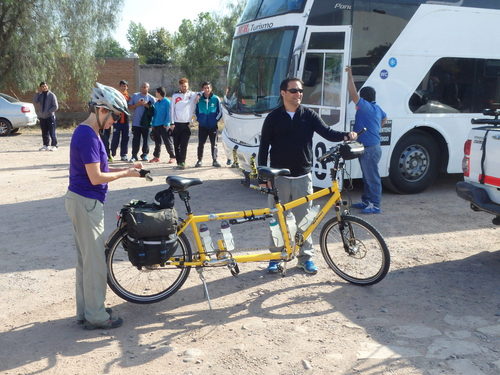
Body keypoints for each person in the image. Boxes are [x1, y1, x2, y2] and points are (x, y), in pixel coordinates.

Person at [64, 83, 144, 330]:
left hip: (81, 200)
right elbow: (97, 177)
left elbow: (102, 170)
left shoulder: (89, 132)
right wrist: (126, 175)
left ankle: (86, 311)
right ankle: (97, 316)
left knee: (86, 261)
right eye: (115, 116)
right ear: (101, 110)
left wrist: (129, 171)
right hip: (86, 202)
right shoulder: (87, 134)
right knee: (96, 262)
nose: (116, 121)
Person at [258, 77, 357, 274]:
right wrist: (264, 178)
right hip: (279, 178)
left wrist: (347, 135)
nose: (299, 94)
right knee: (277, 220)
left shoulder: (308, 115)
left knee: (305, 221)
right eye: (294, 91)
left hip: (303, 176)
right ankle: (277, 257)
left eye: (301, 91)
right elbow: (263, 148)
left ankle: (305, 258)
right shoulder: (273, 118)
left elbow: (327, 132)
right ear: (283, 93)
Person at [346, 66, 387, 214]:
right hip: (372, 147)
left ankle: (375, 205)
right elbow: (385, 118)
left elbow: (352, 93)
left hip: (369, 149)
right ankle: (367, 201)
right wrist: (376, 129)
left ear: (364, 98)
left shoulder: (366, 107)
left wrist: (349, 75)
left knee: (372, 178)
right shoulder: (376, 108)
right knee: (367, 177)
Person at [170, 77, 199, 169]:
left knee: (184, 144)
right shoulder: (175, 96)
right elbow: (172, 110)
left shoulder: (192, 94)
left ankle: (182, 162)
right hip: (177, 124)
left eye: (186, 86)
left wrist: (198, 95)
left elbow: (201, 92)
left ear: (188, 86)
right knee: (176, 144)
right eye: (182, 86)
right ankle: (178, 161)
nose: (184, 88)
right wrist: (172, 123)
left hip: (186, 124)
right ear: (180, 86)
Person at [195, 81, 222, 168]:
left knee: (214, 144)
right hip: (202, 125)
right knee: (200, 144)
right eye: (205, 88)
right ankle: (199, 160)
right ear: (202, 89)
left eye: (208, 88)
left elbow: (220, 111)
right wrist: (199, 119)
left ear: (211, 88)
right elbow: (195, 111)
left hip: (213, 126)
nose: (207, 89)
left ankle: (214, 160)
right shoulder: (199, 99)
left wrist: (215, 120)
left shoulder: (216, 98)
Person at [128, 82, 155, 162]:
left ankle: (145, 155)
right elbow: (129, 107)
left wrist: (147, 106)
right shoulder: (135, 96)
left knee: (146, 140)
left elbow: (154, 111)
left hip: (146, 123)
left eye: (146, 87)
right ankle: (134, 156)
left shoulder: (151, 98)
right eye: (143, 87)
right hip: (136, 122)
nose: (144, 88)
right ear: (140, 88)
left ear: (148, 88)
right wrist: (138, 104)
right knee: (136, 140)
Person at [150, 87, 175, 163]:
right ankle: (156, 157)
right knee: (157, 142)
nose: (155, 93)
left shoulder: (167, 102)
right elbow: (154, 114)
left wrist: (167, 123)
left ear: (160, 92)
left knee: (167, 141)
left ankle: (172, 157)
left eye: (156, 92)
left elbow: (169, 113)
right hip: (156, 125)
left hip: (164, 125)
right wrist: (152, 124)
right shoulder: (156, 103)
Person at [33, 81, 59, 151]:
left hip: (50, 117)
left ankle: (54, 145)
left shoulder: (52, 95)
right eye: (42, 87)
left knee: (52, 132)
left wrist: (48, 112)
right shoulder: (40, 95)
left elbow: (55, 106)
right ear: (41, 88)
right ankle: (46, 145)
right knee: (44, 132)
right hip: (42, 117)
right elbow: (35, 101)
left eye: (45, 86)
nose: (44, 87)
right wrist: (37, 93)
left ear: (47, 86)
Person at [110, 80, 131, 161]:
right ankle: (112, 153)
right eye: (122, 86)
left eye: (125, 86)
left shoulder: (129, 97)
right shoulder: (116, 96)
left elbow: (131, 106)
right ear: (120, 87)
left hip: (126, 121)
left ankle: (123, 154)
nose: (123, 87)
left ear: (127, 87)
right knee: (115, 137)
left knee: (125, 138)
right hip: (117, 121)